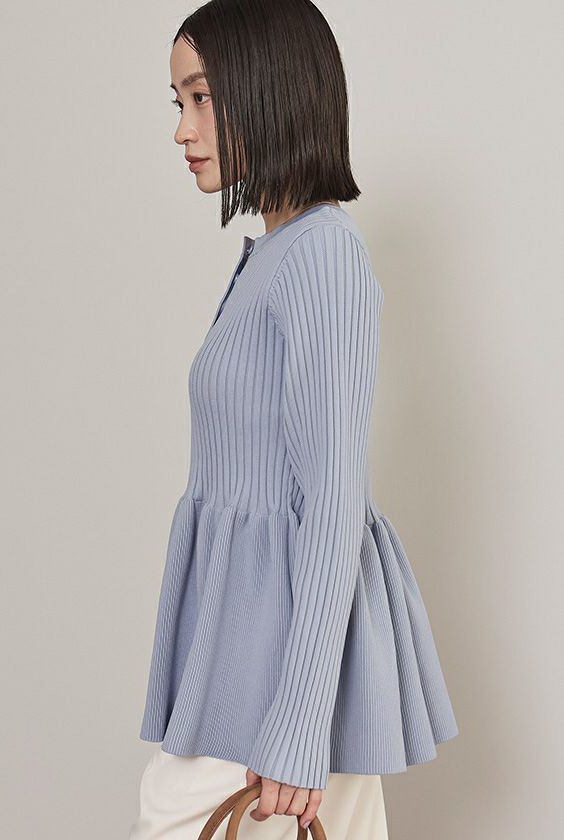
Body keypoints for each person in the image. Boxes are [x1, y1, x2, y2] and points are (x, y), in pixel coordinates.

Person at [129, 1, 459, 837]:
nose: (182, 129)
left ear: (267, 89)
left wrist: (302, 724)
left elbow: (335, 498)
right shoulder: (274, 256)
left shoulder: (322, 255)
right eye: (179, 102)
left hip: (279, 665)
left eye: (202, 98)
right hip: (245, 648)